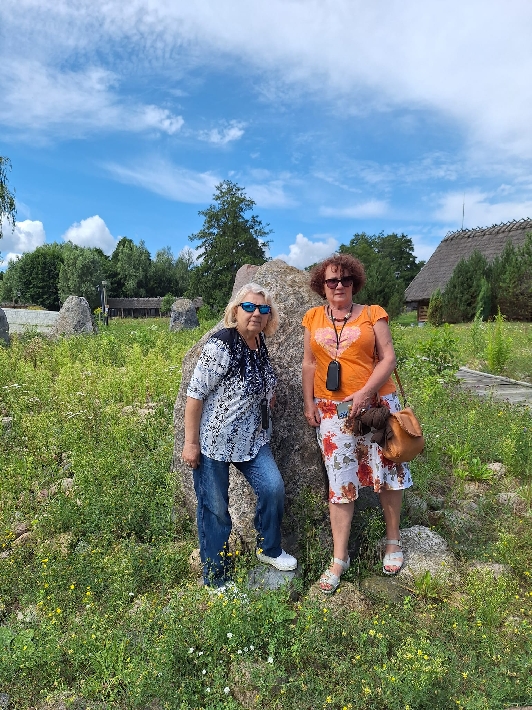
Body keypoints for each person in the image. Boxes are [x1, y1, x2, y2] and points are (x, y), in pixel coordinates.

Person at [302, 254, 412, 593]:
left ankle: (392, 540)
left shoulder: (373, 314)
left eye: (345, 280)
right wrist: (308, 402)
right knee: (340, 481)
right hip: (332, 410)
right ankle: (340, 558)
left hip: (376, 406)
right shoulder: (312, 317)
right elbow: (309, 363)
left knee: (388, 472)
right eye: (332, 280)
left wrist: (365, 392)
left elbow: (389, 358)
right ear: (321, 285)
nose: (339, 285)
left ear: (355, 283)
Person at [182, 283, 297, 589]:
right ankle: (216, 579)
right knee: (215, 510)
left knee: (273, 489)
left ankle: (268, 548)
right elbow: (195, 395)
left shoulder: (259, 342)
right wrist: (191, 443)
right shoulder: (222, 344)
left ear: (269, 315)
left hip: (253, 439)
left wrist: (266, 396)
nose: (256, 313)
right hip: (215, 443)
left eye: (263, 308)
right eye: (249, 307)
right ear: (235, 311)